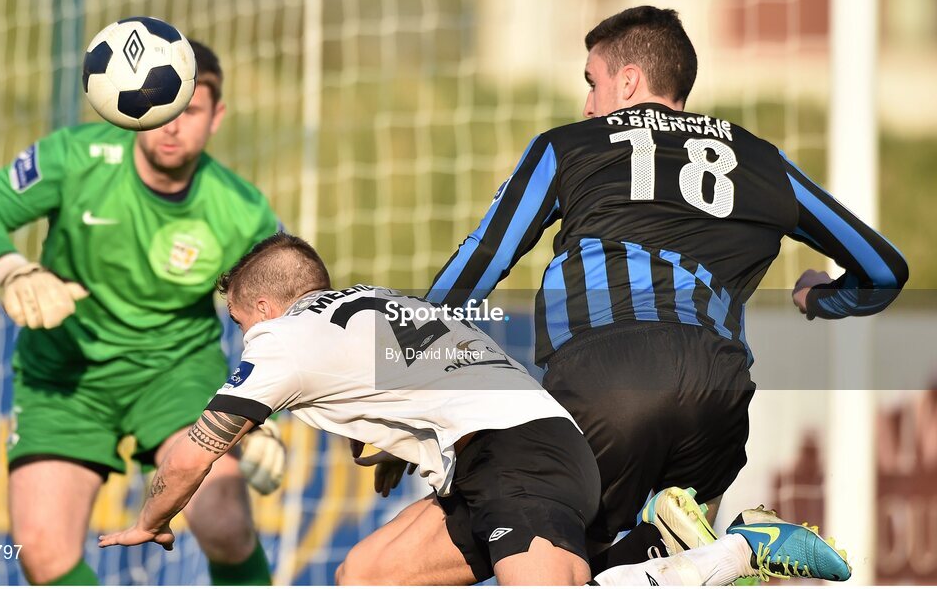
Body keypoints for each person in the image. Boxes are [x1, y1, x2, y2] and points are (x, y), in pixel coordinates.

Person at [426, 5, 909, 568]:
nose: (588, 103)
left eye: (593, 81)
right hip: (720, 395)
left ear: (628, 81)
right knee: (653, 566)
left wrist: (404, 378)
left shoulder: (570, 145)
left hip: (608, 380)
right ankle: (731, 549)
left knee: (517, 565)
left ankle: (733, 550)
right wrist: (821, 297)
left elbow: (480, 262)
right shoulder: (763, 161)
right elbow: (885, 268)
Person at [97, 233, 852, 586]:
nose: (243, 339)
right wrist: (399, 446)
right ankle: (655, 542)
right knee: (366, 575)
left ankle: (740, 548)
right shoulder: (370, 304)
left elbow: (193, 452)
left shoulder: (286, 338)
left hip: (517, 458)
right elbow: (441, 380)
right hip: (505, 455)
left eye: (240, 321)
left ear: (264, 304)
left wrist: (151, 518)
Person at [0, 40, 281, 585]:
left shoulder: (242, 209)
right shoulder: (72, 156)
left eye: (188, 109)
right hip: (64, 373)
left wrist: (262, 412)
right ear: (128, 105)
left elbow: (287, 320)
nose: (171, 125)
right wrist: (15, 270)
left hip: (175, 375)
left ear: (215, 116)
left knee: (224, 523)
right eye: (159, 106)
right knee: (41, 553)